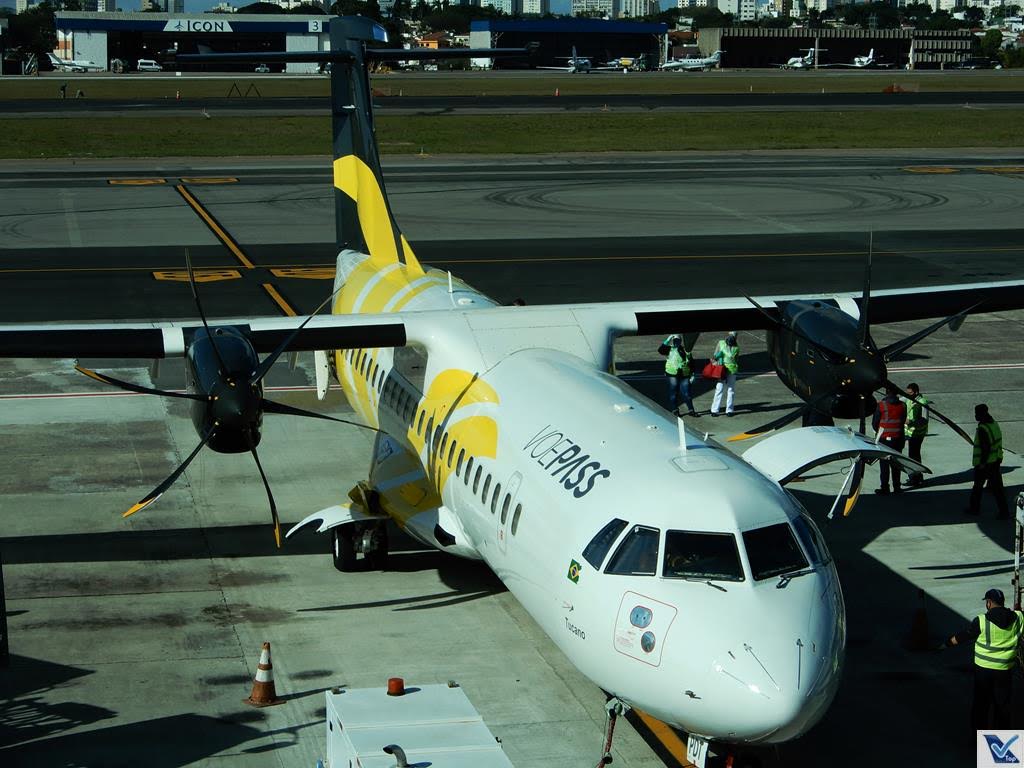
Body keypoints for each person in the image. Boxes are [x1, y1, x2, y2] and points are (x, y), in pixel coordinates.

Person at [942, 588, 1023, 729]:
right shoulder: (1019, 618)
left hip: (983, 670)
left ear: (989, 603)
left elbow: (963, 636)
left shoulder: (981, 620)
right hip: (1005, 669)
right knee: (1003, 705)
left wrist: (946, 644)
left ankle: (977, 736)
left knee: (981, 705)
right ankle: (1001, 739)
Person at [967, 403, 1010, 518]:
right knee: (998, 489)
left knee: (977, 487)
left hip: (986, 464)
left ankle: (974, 509)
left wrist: (982, 463)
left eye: (977, 414)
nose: (975, 416)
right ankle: (1004, 512)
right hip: (996, 460)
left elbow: (985, 448)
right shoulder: (994, 423)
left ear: (982, 414)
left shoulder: (983, 429)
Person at [872, 383, 906, 495]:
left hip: (884, 439)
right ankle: (897, 487)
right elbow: (903, 420)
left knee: (884, 465)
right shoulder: (903, 405)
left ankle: (885, 487)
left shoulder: (881, 405)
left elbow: (875, 423)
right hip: (898, 438)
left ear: (886, 393)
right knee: (896, 464)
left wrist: (880, 430)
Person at [658, 334, 696, 416]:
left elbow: (691, 362)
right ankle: (675, 410)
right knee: (674, 393)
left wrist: (692, 374)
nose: (676, 342)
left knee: (687, 394)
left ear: (680, 341)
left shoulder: (685, 349)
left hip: (684, 374)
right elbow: (660, 350)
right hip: (672, 374)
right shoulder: (669, 349)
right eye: (674, 340)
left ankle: (691, 410)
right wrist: (668, 339)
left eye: (678, 340)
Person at [903, 383, 929, 488]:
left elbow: (925, 420)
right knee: (914, 455)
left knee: (914, 456)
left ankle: (915, 477)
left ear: (916, 392)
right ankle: (917, 476)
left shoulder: (923, 403)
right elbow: (900, 399)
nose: (908, 395)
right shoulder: (909, 399)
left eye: (910, 393)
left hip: (918, 433)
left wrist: (912, 422)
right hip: (910, 433)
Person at [710, 331, 739, 417]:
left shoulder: (735, 347)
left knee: (726, 389)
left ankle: (724, 410)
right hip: (724, 370)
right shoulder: (723, 344)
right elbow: (715, 355)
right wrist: (716, 363)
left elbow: (736, 359)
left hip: (728, 370)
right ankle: (719, 410)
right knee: (723, 389)